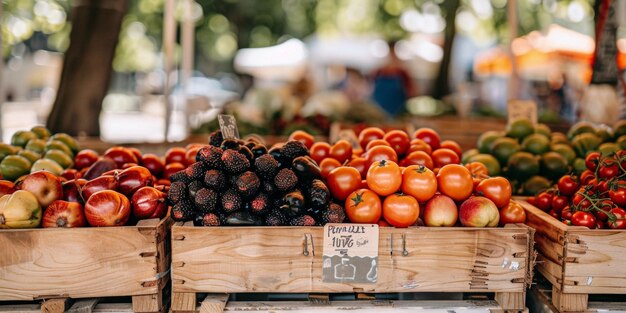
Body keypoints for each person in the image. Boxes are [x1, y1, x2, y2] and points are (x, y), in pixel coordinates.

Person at [370, 41, 417, 117]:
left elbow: (411, 91)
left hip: (397, 108)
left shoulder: (402, 71)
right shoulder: (379, 70)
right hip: (379, 107)